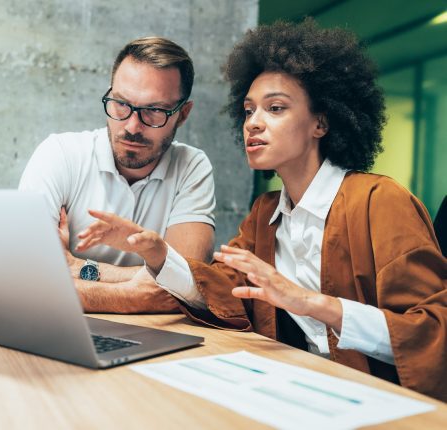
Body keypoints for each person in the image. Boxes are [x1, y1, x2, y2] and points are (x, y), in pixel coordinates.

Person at [74, 20, 447, 401]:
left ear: (321, 121)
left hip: (380, 403)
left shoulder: (380, 201)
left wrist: (316, 305)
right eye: (249, 110)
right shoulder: (265, 214)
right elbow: (222, 292)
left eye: (276, 108)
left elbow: (433, 334)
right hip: (297, 391)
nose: (253, 123)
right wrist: (157, 252)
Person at [18, 37, 216, 314]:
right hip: (62, 324)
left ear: (182, 114)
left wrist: (77, 267)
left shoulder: (191, 166)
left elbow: (192, 285)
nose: (132, 126)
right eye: (121, 104)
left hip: (154, 335)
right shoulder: (60, 154)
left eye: (154, 111)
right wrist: (131, 296)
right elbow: (25, 278)